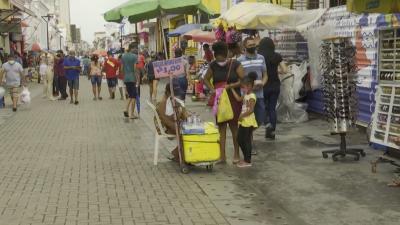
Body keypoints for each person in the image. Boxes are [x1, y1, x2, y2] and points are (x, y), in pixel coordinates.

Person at [204, 41, 245, 164]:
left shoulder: (235, 64)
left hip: (233, 99)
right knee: (222, 128)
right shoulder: (213, 65)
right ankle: (222, 156)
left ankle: (236, 154)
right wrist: (213, 90)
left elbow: (243, 80)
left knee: (233, 128)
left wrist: (230, 86)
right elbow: (205, 79)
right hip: (220, 100)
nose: (219, 59)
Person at [258, 37, 288, 140]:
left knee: (263, 107)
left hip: (263, 84)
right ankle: (272, 132)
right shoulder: (277, 56)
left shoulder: (259, 57)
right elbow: (284, 70)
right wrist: (276, 71)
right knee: (272, 108)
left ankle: (267, 124)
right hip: (275, 85)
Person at [231, 72, 258, 168]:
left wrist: (242, 115)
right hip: (244, 120)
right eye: (242, 87)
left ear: (250, 86)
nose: (243, 89)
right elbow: (238, 99)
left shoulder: (252, 96)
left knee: (245, 140)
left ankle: (247, 160)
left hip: (248, 121)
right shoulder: (246, 95)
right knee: (240, 139)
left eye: (244, 87)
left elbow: (251, 110)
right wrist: (232, 89)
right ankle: (246, 158)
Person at [156, 83, 187, 161]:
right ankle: (178, 155)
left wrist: (183, 110)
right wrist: (180, 127)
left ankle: (177, 154)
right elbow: (166, 121)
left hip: (175, 125)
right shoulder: (162, 104)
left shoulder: (177, 102)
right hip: (166, 128)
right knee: (187, 133)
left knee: (191, 131)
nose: (177, 96)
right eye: (175, 94)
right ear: (168, 93)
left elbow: (185, 117)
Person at [121, 44, 139, 119]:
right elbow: (135, 68)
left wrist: (124, 75)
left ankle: (126, 109)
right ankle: (132, 114)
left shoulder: (123, 56)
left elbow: (121, 68)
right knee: (134, 96)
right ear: (132, 48)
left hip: (126, 78)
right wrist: (137, 78)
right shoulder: (134, 56)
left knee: (130, 95)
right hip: (132, 78)